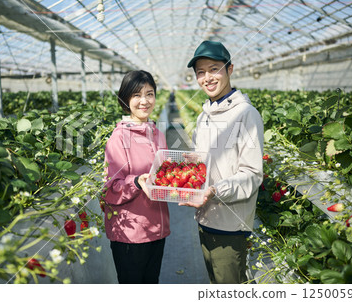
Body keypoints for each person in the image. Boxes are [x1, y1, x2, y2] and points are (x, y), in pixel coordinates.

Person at [181, 40, 264, 284]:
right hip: (204, 219)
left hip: (230, 225)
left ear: (229, 69)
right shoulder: (203, 116)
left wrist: (215, 191)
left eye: (214, 69)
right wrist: (192, 165)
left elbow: (252, 174)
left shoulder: (246, 114)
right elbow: (206, 164)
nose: (207, 77)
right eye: (200, 72)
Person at [102, 70, 170, 284]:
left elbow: (164, 175)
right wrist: (136, 182)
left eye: (149, 94)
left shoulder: (157, 134)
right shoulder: (118, 138)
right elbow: (110, 189)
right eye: (136, 95)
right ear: (125, 99)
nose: (144, 101)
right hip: (130, 233)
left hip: (157, 229)